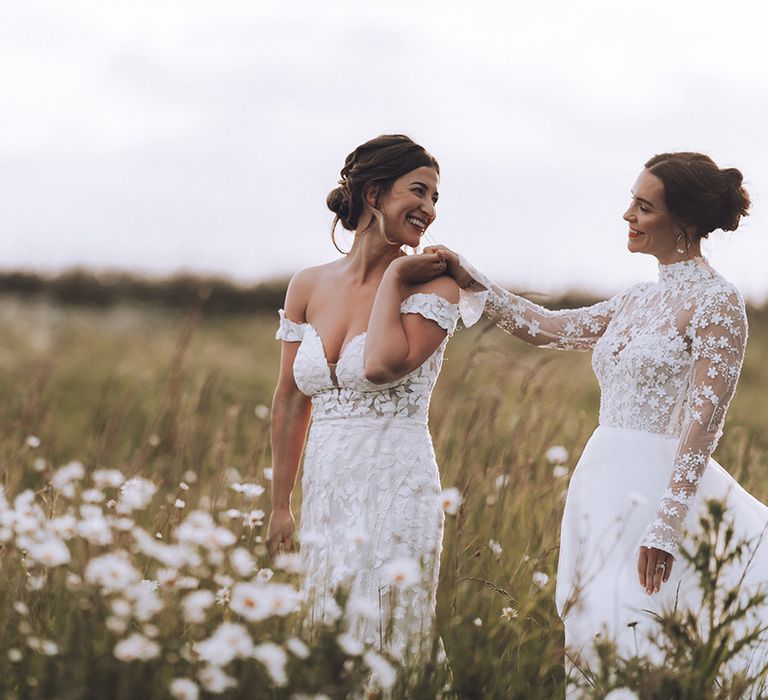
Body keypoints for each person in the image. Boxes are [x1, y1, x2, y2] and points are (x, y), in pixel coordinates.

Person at [426, 152, 768, 689]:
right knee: (593, 633)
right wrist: (473, 279)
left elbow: (704, 423)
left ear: (684, 220)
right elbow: (546, 328)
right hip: (601, 484)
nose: (627, 215)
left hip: (656, 494)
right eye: (631, 201)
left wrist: (667, 521)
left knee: (638, 628)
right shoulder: (636, 300)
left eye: (643, 206)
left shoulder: (718, 302)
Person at [267, 135, 459, 662]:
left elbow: (382, 364)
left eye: (436, 198)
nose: (430, 210)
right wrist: (281, 505)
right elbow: (289, 402)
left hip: (397, 487)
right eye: (418, 191)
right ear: (374, 193)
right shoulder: (307, 286)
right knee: (326, 637)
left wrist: (397, 276)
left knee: (390, 636)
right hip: (325, 490)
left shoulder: (435, 288)